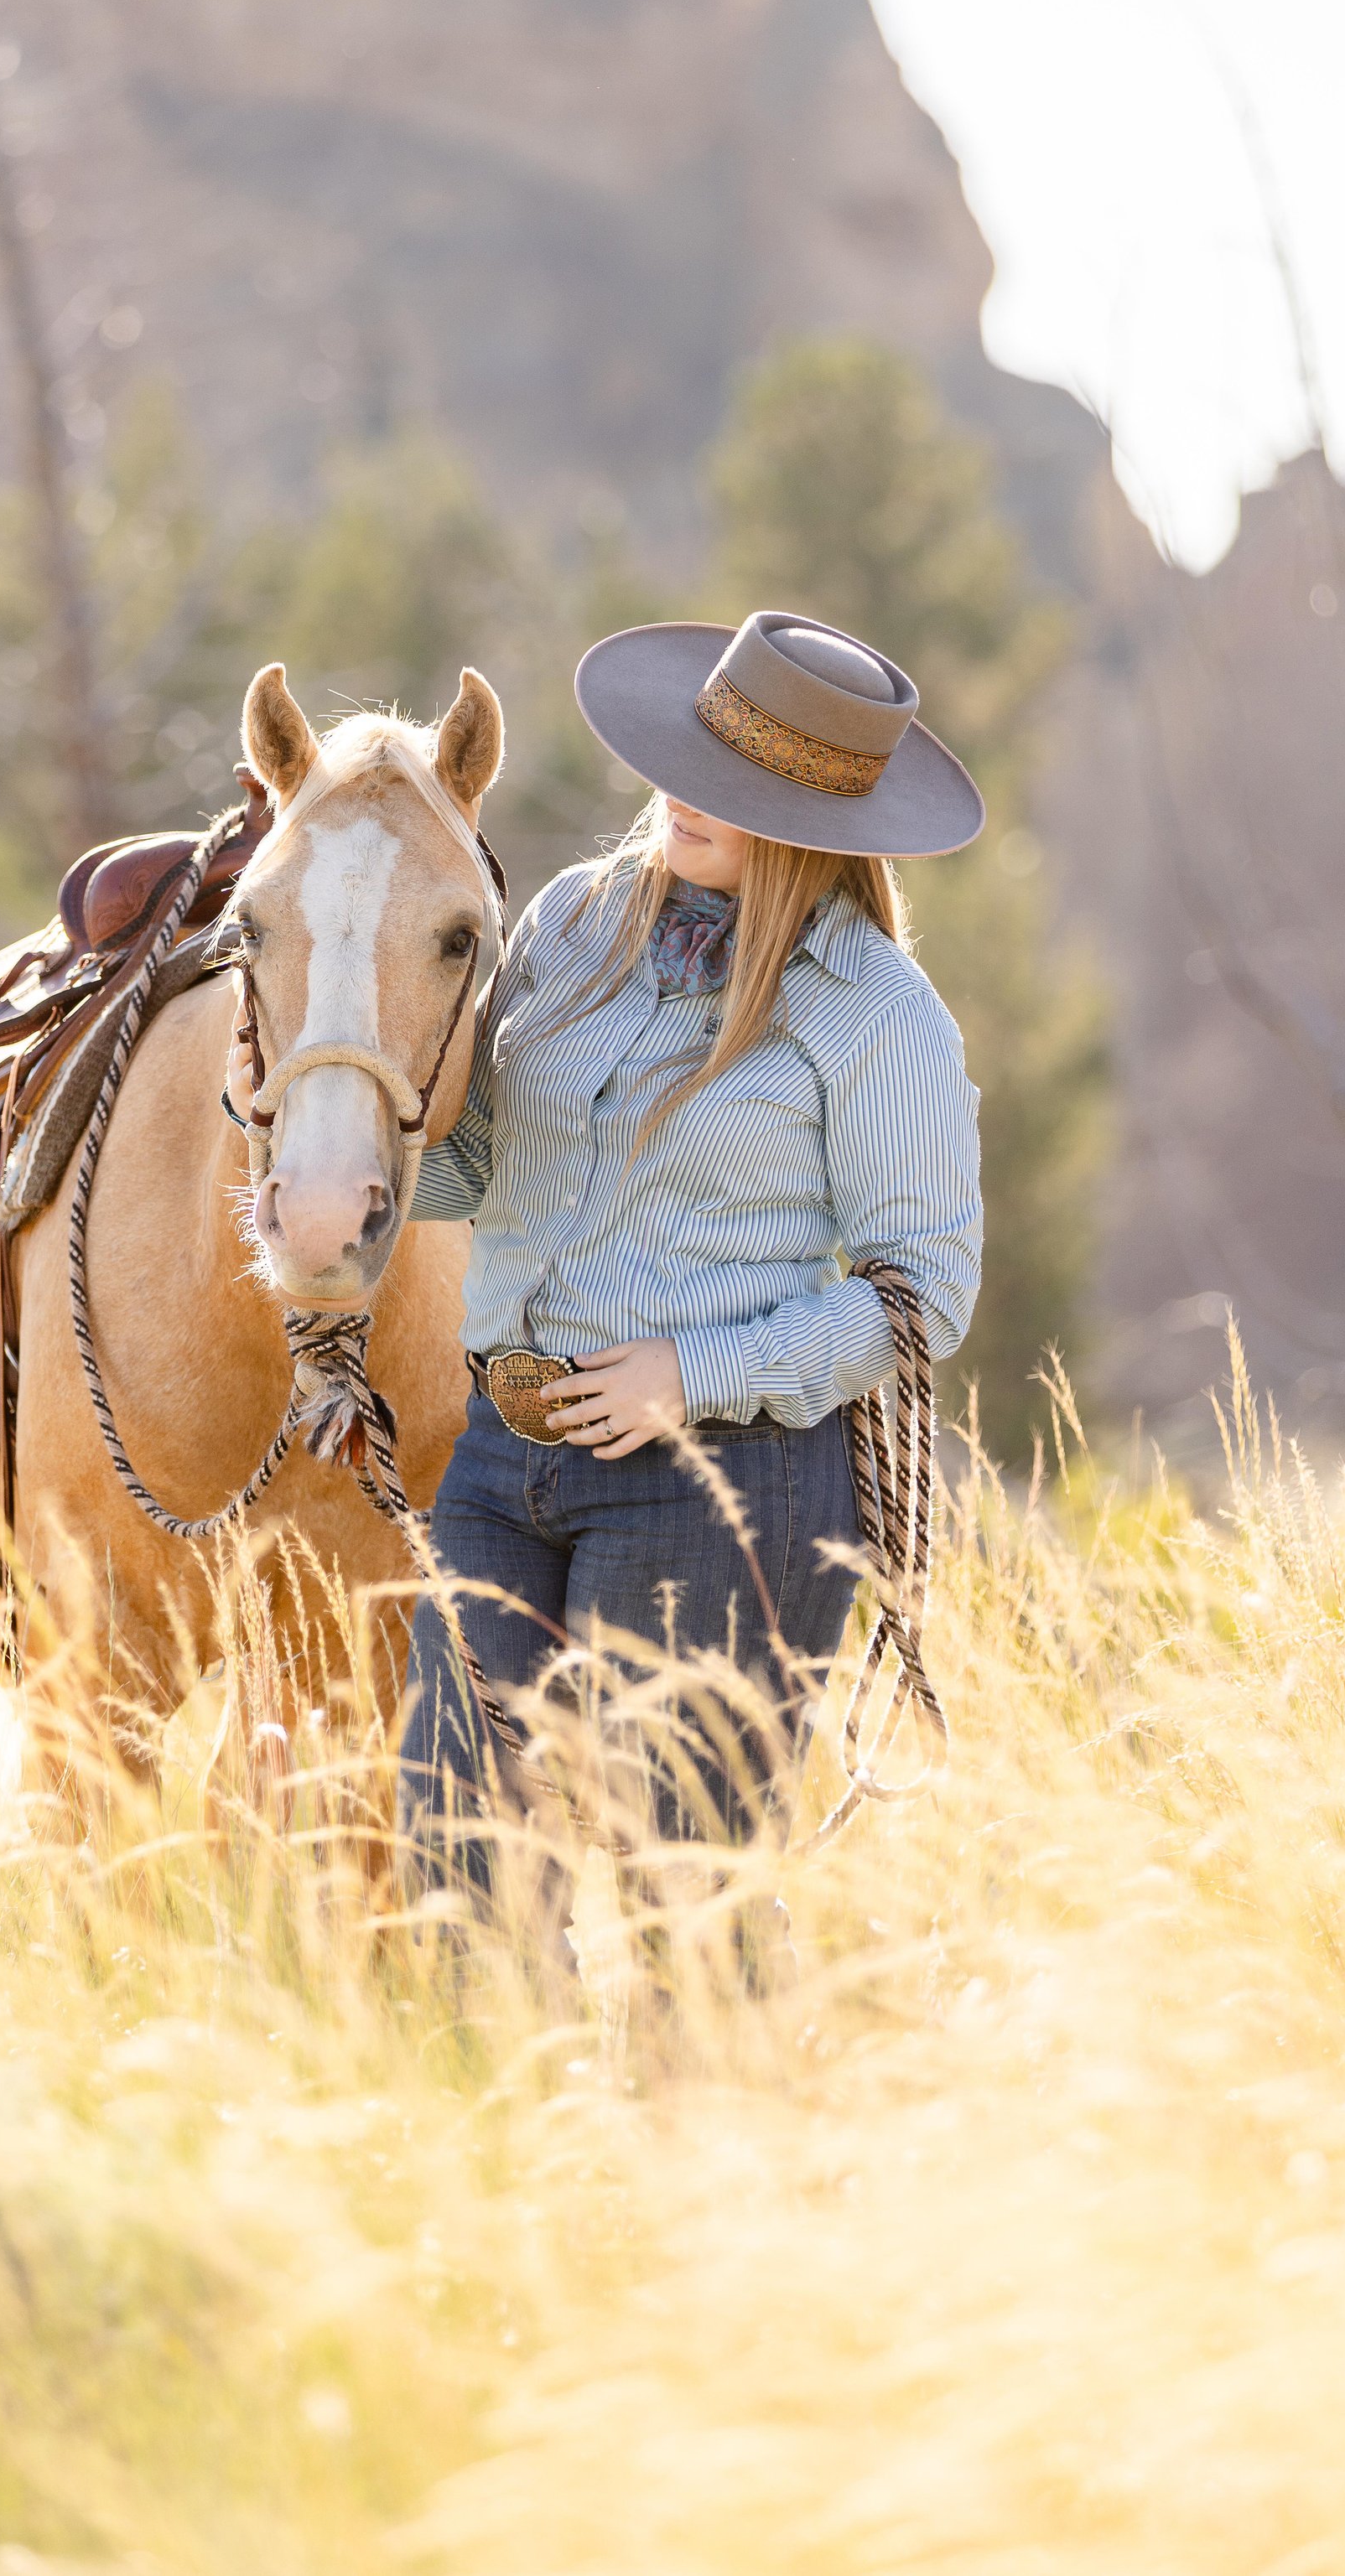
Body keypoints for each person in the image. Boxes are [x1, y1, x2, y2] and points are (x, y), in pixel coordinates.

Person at [399, 607, 984, 1895]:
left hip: (725, 1490)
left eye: (733, 783)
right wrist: (348, 1137)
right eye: (689, 755)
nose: (682, 796)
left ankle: (709, 2104)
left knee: (682, 1919)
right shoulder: (570, 922)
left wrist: (689, 1372)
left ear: (817, 821)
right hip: (502, 1461)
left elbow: (919, 1299)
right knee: (458, 1874)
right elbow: (479, 1165)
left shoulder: (877, 1014)